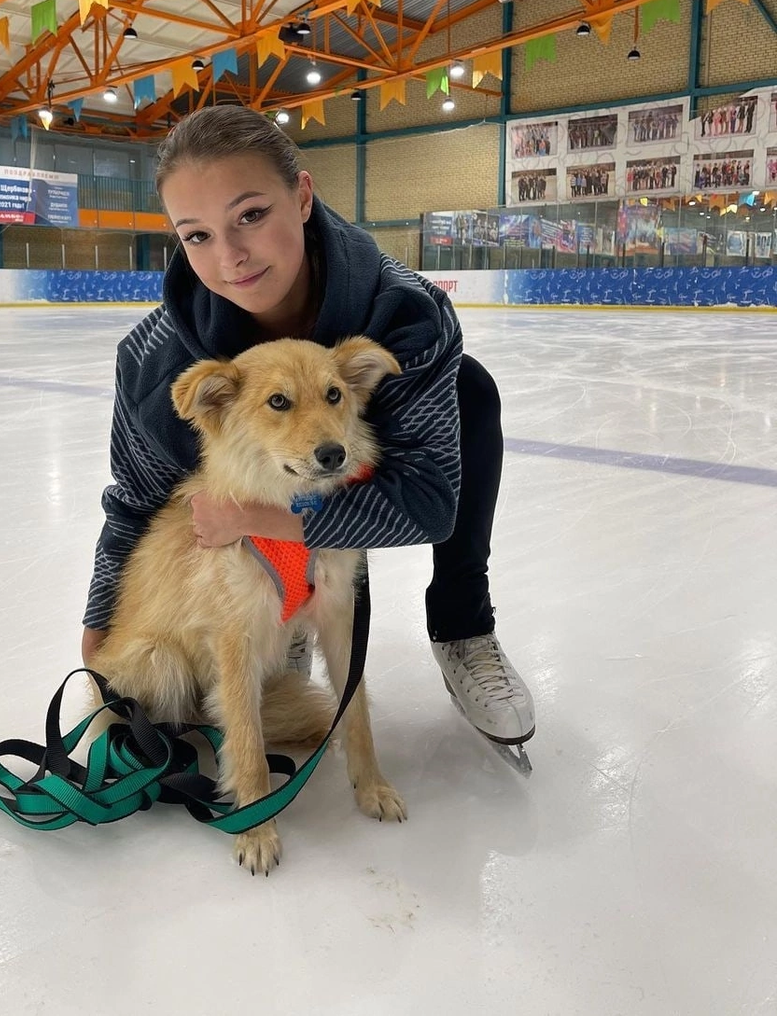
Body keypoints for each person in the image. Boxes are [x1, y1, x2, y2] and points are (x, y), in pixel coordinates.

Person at [81, 105, 535, 754]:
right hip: (243, 531)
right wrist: (102, 625)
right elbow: (135, 502)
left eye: (251, 215)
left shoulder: (404, 314)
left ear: (300, 196)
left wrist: (260, 522)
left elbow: (428, 505)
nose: (230, 255)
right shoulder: (153, 363)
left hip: (340, 480)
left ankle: (463, 628)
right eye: (197, 235)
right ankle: (277, 626)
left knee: (470, 387)